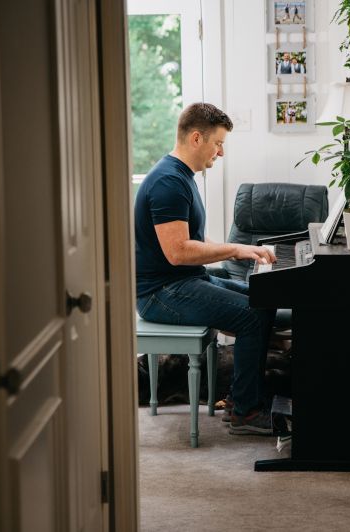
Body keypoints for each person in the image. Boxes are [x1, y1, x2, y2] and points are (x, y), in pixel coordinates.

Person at [134, 103, 278, 435]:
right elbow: (178, 252)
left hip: (182, 282)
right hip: (161, 293)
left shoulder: (180, 176)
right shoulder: (169, 183)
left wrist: (241, 251)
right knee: (251, 314)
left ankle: (242, 397)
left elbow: (193, 238)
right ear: (197, 138)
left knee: (264, 299)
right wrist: (237, 248)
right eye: (218, 143)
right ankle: (246, 411)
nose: (222, 152)